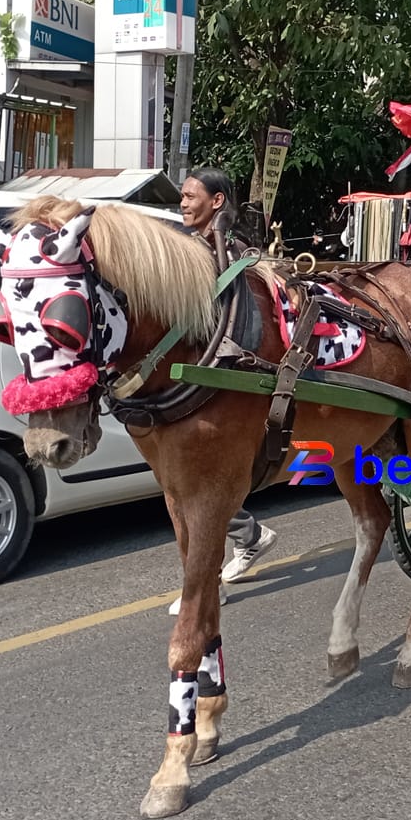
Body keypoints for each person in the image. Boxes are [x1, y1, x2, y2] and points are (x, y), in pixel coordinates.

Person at [170, 167, 279, 615]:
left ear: (217, 202)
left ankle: (210, 581)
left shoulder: (226, 254)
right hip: (189, 384)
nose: (183, 202)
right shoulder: (184, 247)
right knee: (188, 486)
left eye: (191, 195)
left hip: (224, 383)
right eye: (182, 195)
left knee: (197, 487)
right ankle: (250, 537)